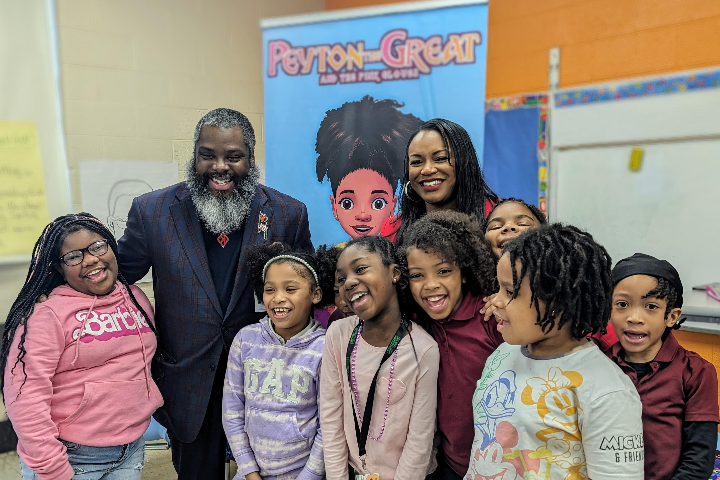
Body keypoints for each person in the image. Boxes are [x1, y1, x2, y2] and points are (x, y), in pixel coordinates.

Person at [117, 108, 313, 480]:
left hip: (268, 382)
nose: (219, 166)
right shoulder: (153, 211)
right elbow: (118, 277)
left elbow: (306, 287)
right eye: (208, 154)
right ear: (194, 156)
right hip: (189, 379)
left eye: (233, 156)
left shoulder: (287, 213)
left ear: (251, 159)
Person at [468, 224, 644, 480]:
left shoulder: (607, 392)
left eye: (509, 291)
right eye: (499, 287)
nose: (495, 301)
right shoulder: (503, 354)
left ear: (557, 303)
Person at [2, 213, 162, 480]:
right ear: (59, 267)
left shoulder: (136, 298)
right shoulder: (47, 314)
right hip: (72, 455)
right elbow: (25, 397)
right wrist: (53, 467)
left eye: (98, 246)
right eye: (74, 256)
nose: (90, 259)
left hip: (131, 447)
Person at [321, 235, 440, 480]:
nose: (349, 282)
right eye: (342, 279)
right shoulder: (338, 335)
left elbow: (419, 441)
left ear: (394, 273)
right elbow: (331, 421)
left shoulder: (424, 349)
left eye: (361, 269)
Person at [399, 212, 502, 480]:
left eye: (443, 271)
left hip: (500, 466)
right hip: (449, 466)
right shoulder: (416, 323)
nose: (431, 285)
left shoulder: (490, 317)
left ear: (464, 273)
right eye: (417, 275)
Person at [603, 253, 719, 480]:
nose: (635, 317)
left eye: (651, 306)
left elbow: (698, 460)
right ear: (609, 310)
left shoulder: (697, 372)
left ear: (671, 316)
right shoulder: (597, 365)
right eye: (623, 304)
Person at [223, 244, 334, 480]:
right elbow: (232, 411)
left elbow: (329, 426)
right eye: (270, 289)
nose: (278, 298)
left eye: (291, 288)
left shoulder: (325, 348)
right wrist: (248, 471)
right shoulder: (246, 340)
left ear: (316, 294)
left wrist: (309, 476)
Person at [316, 96, 422, 240]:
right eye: (347, 203)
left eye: (378, 203)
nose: (363, 215)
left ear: (393, 205)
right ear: (334, 206)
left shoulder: (403, 255)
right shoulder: (332, 259)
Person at [381, 118, 498, 242]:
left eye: (440, 158)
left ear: (465, 163)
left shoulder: (499, 220)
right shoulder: (393, 230)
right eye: (417, 162)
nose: (427, 170)